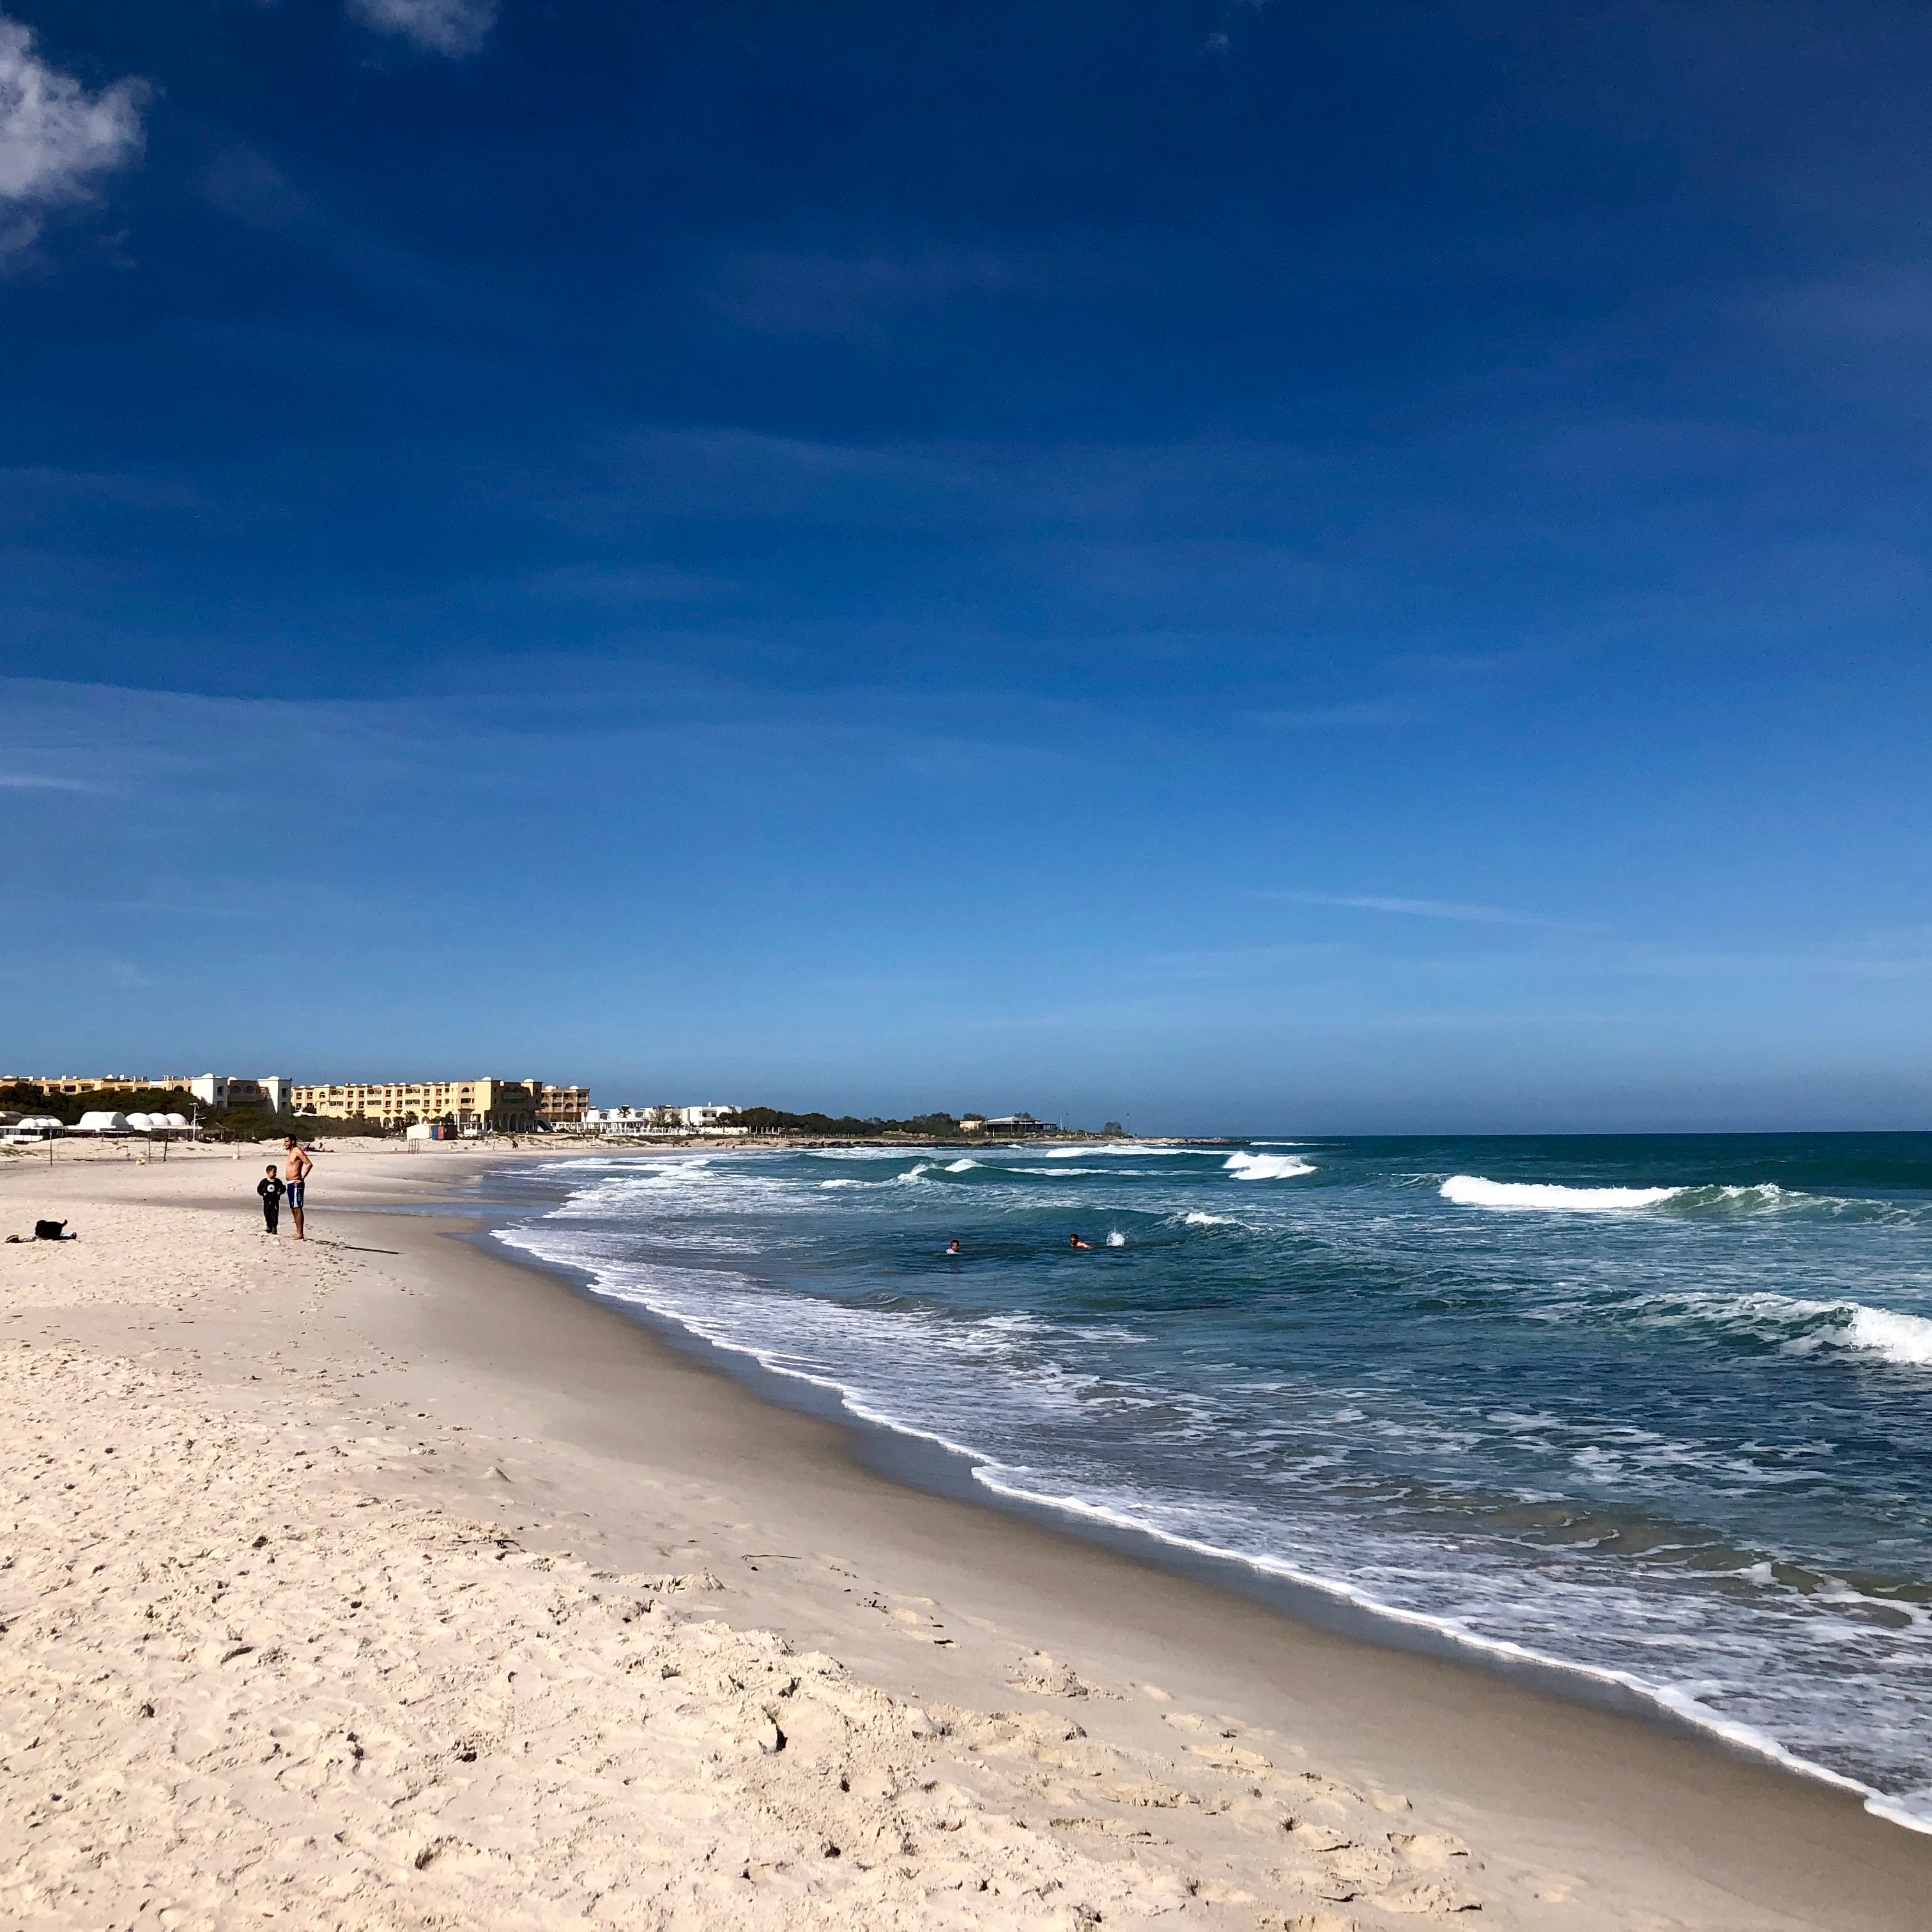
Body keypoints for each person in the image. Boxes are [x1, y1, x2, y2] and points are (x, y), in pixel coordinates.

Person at [282, 1135, 312, 1241]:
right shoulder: (291, 1153)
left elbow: (309, 1164)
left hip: (296, 1183)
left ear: (292, 1141)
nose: (285, 1144)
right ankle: (298, 1232)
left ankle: (300, 1233)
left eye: (287, 1142)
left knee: (297, 1208)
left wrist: (302, 1179)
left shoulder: (297, 1151)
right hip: (290, 1183)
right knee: (293, 1209)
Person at [257, 1165, 284, 1235]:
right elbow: (259, 1189)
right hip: (267, 1201)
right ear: (268, 1173)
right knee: (267, 1214)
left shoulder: (278, 1182)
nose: (275, 1173)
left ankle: (274, 1228)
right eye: (274, 1172)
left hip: (275, 1202)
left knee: (274, 1215)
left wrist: (280, 1192)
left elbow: (283, 1188)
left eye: (276, 1172)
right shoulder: (264, 1182)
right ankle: (269, 1226)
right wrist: (263, 1193)